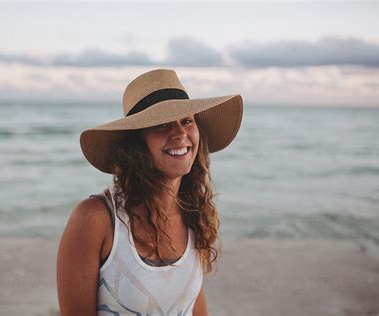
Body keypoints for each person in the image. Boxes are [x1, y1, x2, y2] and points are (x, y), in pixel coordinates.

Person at [56, 69, 243, 315]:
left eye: (187, 120)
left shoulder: (194, 213)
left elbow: (192, 304)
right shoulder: (95, 220)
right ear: (137, 143)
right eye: (162, 124)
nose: (179, 133)